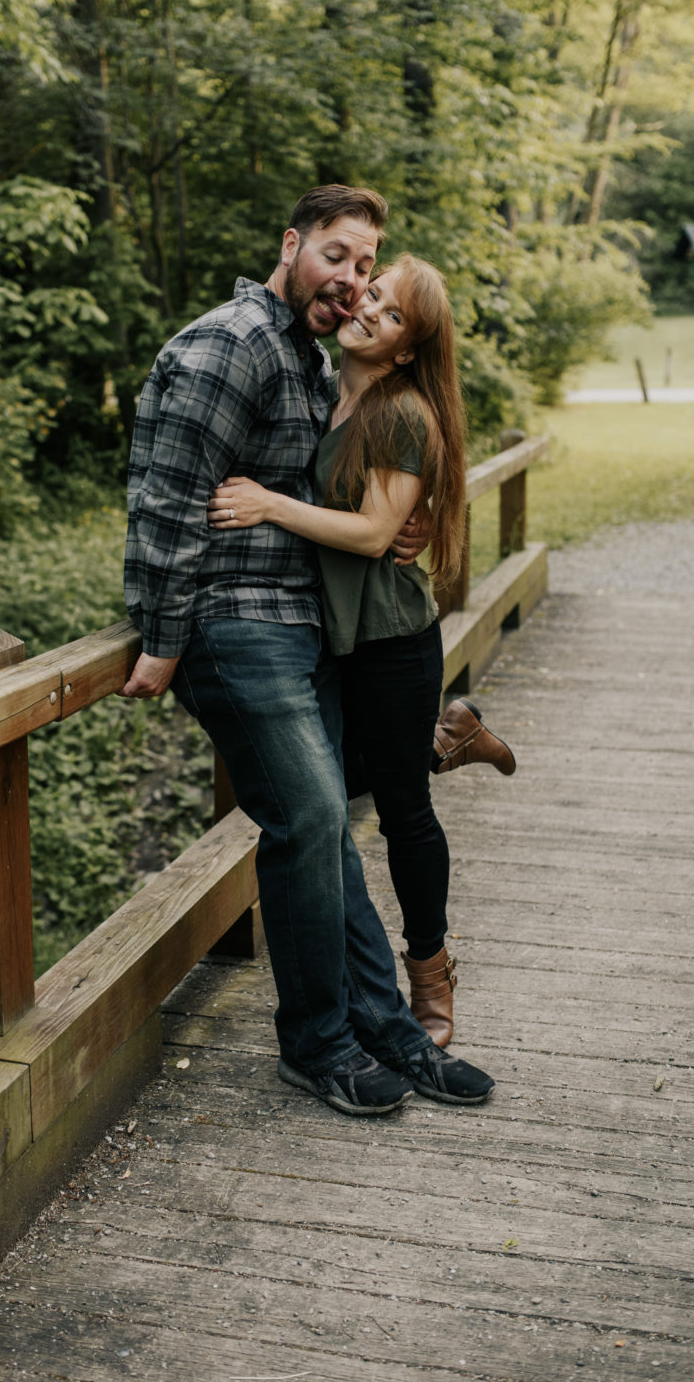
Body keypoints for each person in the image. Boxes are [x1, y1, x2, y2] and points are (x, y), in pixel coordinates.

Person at [122, 184, 495, 1116]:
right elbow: (167, 499)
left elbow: (352, 483)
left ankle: (386, 1027)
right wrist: (164, 639)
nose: (353, 281)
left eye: (368, 267)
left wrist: (392, 526)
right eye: (337, 256)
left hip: (306, 628)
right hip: (236, 625)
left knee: (322, 824)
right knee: (313, 820)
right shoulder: (231, 342)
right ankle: (317, 1042)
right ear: (292, 245)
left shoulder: (307, 358)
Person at [208, 252, 510, 1048]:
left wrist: (265, 505)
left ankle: (430, 971)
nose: (369, 309)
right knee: (320, 795)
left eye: (392, 313)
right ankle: (442, 738)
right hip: (328, 633)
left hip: (390, 639)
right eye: (370, 294)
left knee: (402, 815)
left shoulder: (402, 414)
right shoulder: (316, 383)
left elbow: (376, 533)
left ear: (407, 347)